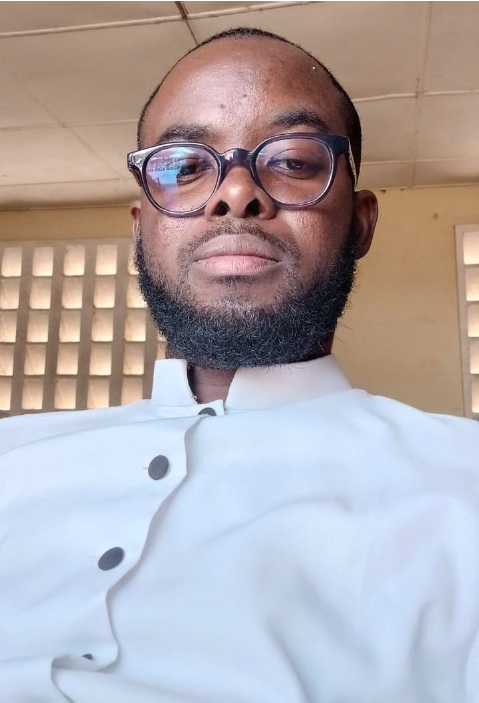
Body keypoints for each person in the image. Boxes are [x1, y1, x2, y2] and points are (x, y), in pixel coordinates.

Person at [1, 26, 479, 703]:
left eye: (293, 160)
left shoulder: (463, 481)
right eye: (183, 166)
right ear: (141, 227)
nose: (233, 193)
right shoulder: (12, 453)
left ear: (361, 223)